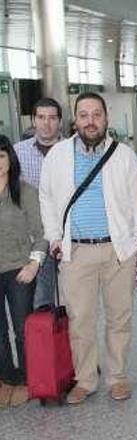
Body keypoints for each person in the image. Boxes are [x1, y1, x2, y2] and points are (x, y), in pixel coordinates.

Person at [39, 92, 137, 405]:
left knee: (119, 318)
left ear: (106, 118)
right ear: (75, 120)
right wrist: (55, 236)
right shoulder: (58, 155)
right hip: (77, 253)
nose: (90, 121)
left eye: (96, 114)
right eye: (84, 115)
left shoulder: (123, 155)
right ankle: (85, 379)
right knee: (80, 319)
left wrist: (135, 242)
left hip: (117, 252)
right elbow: (47, 197)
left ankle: (118, 377)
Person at [0, 136, 46, 407]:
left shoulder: (24, 191)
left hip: (20, 269)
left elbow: (41, 233)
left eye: (2, 156)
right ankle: (6, 377)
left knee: (21, 327)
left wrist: (34, 263)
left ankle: (30, 378)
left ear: (10, 159)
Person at [15, 98, 63, 310]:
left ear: (60, 121)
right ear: (33, 120)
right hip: (33, 238)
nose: (46, 123)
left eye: (52, 118)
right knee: (38, 302)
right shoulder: (18, 152)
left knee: (74, 303)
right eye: (41, 117)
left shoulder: (72, 150)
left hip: (67, 236)